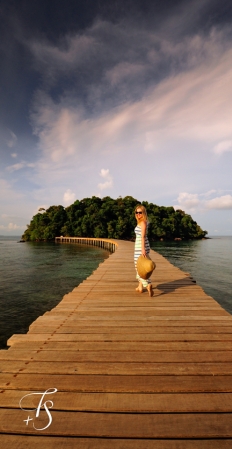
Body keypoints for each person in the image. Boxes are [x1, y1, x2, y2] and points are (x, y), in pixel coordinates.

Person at [134, 204, 154, 297]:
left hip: (140, 248)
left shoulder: (143, 223)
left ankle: (147, 285)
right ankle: (140, 287)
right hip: (141, 247)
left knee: (139, 267)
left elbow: (142, 237)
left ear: (144, 213)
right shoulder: (141, 222)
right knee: (141, 267)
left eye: (140, 212)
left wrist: (143, 249)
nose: (138, 214)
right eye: (137, 212)